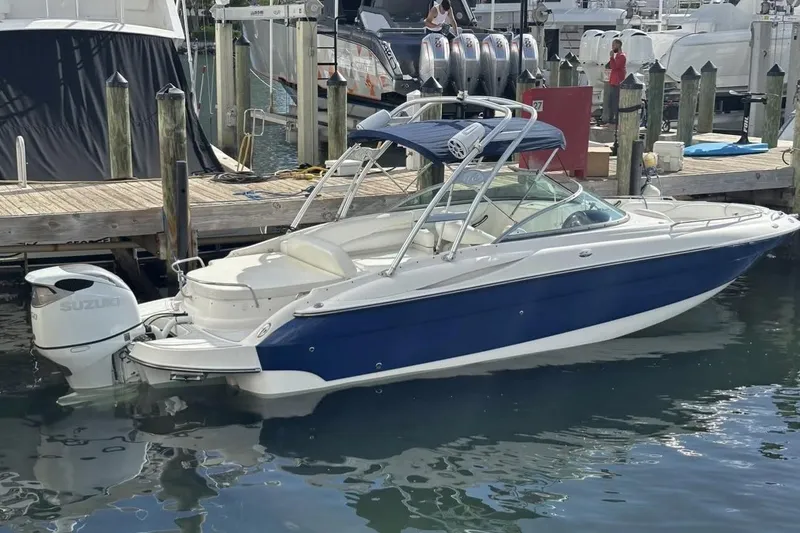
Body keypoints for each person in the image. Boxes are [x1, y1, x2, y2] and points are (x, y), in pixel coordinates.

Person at [607, 38, 627, 125]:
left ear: (618, 45)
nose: (612, 47)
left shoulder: (622, 56)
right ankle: (610, 118)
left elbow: (615, 67)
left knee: (616, 101)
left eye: (613, 45)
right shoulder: (617, 57)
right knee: (611, 101)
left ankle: (616, 118)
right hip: (613, 81)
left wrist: (611, 57)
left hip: (618, 82)